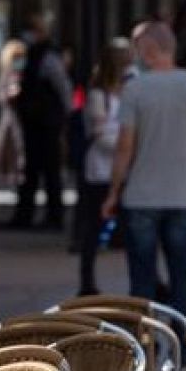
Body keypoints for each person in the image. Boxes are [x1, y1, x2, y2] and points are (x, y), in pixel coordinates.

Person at [101, 20, 186, 318]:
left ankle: (145, 348)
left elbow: (125, 147)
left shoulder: (134, 89)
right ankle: (184, 347)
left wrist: (113, 192)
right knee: (181, 279)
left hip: (140, 197)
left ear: (148, 50)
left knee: (142, 282)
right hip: (181, 196)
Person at [4, 15, 74, 230]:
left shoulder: (48, 56)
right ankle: (25, 214)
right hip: (33, 120)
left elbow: (63, 86)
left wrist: (67, 113)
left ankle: (53, 216)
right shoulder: (30, 54)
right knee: (31, 169)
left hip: (47, 122)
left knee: (50, 170)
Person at [76, 39, 131, 295]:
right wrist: (127, 145)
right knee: (93, 226)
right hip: (101, 170)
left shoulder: (131, 88)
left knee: (133, 227)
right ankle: (87, 280)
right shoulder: (99, 95)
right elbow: (99, 134)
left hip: (126, 168)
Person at [0, 41, 27, 190]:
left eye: (21, 57)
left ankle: (20, 174)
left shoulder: (25, 73)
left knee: (21, 145)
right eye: (16, 57)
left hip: (23, 116)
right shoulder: (6, 73)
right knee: (8, 145)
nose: (19, 60)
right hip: (10, 115)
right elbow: (0, 95)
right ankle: (10, 175)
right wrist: (10, 94)